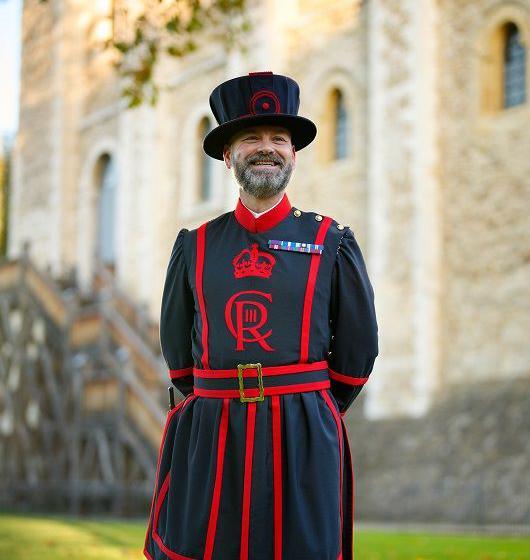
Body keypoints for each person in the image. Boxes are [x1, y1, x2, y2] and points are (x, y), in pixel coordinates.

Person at [143, 71, 379, 560]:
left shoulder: (330, 242)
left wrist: (305, 404)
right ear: (228, 155)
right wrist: (220, 401)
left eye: (279, 139)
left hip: (304, 435)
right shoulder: (195, 247)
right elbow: (179, 359)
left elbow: (357, 355)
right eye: (250, 137)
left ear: (294, 154)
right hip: (213, 436)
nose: (266, 148)